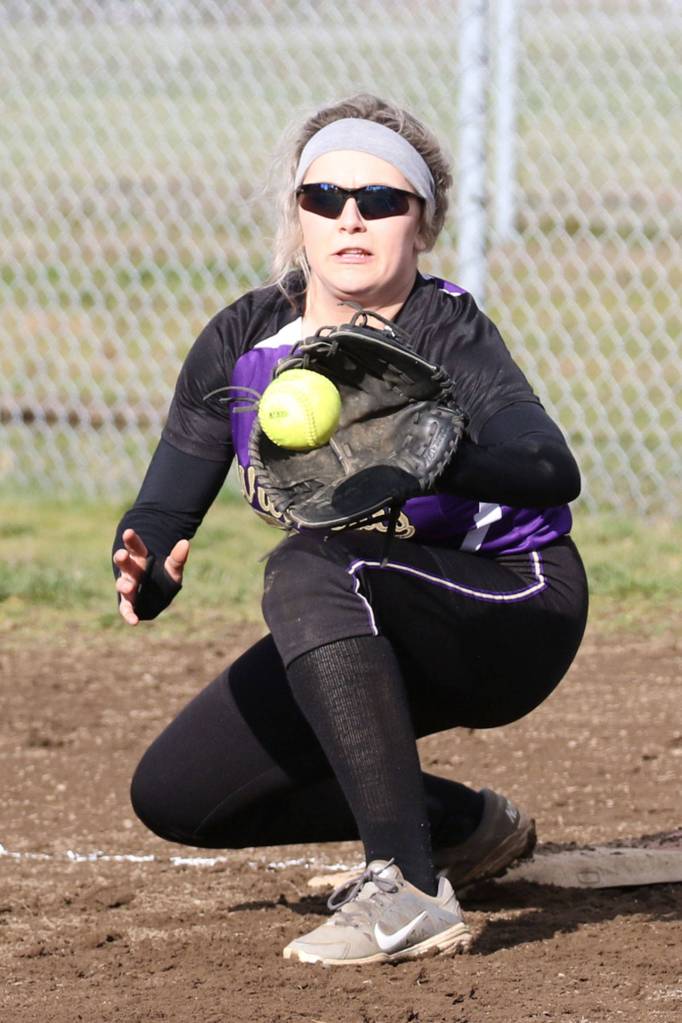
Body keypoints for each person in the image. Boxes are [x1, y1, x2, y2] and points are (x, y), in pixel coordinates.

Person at [112, 94, 588, 966]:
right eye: (324, 197)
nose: (350, 218)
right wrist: (146, 559)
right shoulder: (246, 340)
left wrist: (430, 456)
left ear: (423, 222)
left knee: (307, 566)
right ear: (298, 215)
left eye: (381, 200)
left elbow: (552, 471)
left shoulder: (442, 327)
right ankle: (460, 827)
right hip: (361, 618)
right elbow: (164, 508)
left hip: (512, 605)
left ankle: (406, 891)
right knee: (178, 793)